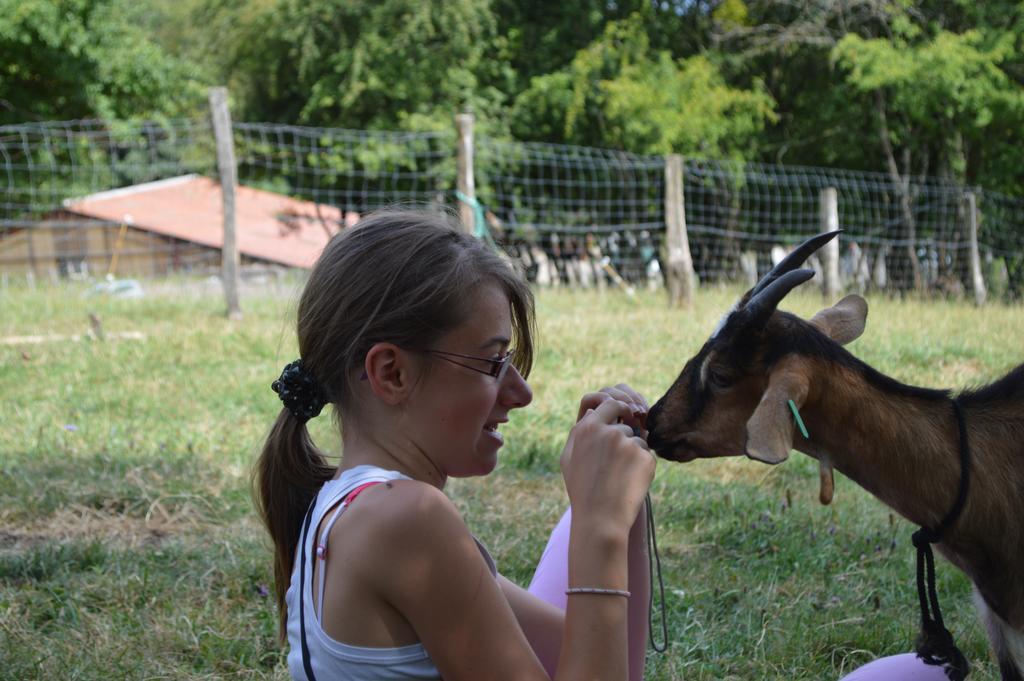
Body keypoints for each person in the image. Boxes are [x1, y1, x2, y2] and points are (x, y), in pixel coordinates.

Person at [254, 209, 656, 681]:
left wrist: (620, 510)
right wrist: (600, 526)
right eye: (492, 363)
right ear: (392, 373)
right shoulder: (407, 520)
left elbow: (609, 663)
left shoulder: (344, 505)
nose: (521, 394)